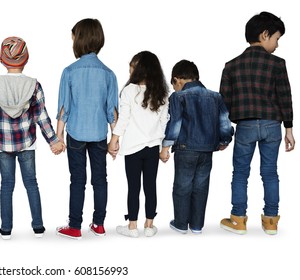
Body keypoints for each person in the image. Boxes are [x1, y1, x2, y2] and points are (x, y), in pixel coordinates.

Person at [0, 36, 65, 240]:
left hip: (3, 144)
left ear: (2, 60)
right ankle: (38, 227)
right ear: (26, 59)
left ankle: (6, 229)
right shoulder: (33, 85)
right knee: (32, 183)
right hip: (27, 143)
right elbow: (41, 117)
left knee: (6, 185)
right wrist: (54, 141)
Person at [219, 11, 295, 235]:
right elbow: (285, 97)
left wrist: (223, 134)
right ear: (264, 35)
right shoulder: (278, 64)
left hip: (245, 127)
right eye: (277, 39)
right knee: (270, 172)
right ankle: (271, 221)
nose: (277, 45)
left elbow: (224, 104)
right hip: (273, 125)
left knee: (240, 173)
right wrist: (288, 129)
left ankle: (238, 219)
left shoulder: (231, 65)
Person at [56, 18, 118, 239]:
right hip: (100, 134)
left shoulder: (70, 71)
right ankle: (99, 224)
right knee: (100, 179)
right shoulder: (109, 73)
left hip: (76, 134)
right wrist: (115, 138)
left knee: (77, 180)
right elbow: (112, 110)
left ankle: (74, 227)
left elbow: (64, 107)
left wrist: (58, 136)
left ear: (79, 40)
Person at [160, 60, 233, 234]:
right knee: (201, 187)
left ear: (177, 79)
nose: (174, 89)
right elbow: (225, 121)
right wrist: (224, 140)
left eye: (174, 85)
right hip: (207, 150)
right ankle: (197, 225)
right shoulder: (216, 96)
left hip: (186, 148)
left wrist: (166, 146)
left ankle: (180, 223)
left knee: (182, 187)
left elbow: (175, 122)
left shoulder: (178, 97)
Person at [108, 51, 169, 238]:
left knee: (133, 187)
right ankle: (149, 226)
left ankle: (132, 227)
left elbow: (124, 119)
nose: (129, 69)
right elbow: (164, 121)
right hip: (152, 147)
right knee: (151, 186)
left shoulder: (129, 91)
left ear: (140, 69)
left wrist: (113, 140)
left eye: (132, 66)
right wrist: (163, 146)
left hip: (133, 148)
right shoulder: (162, 93)